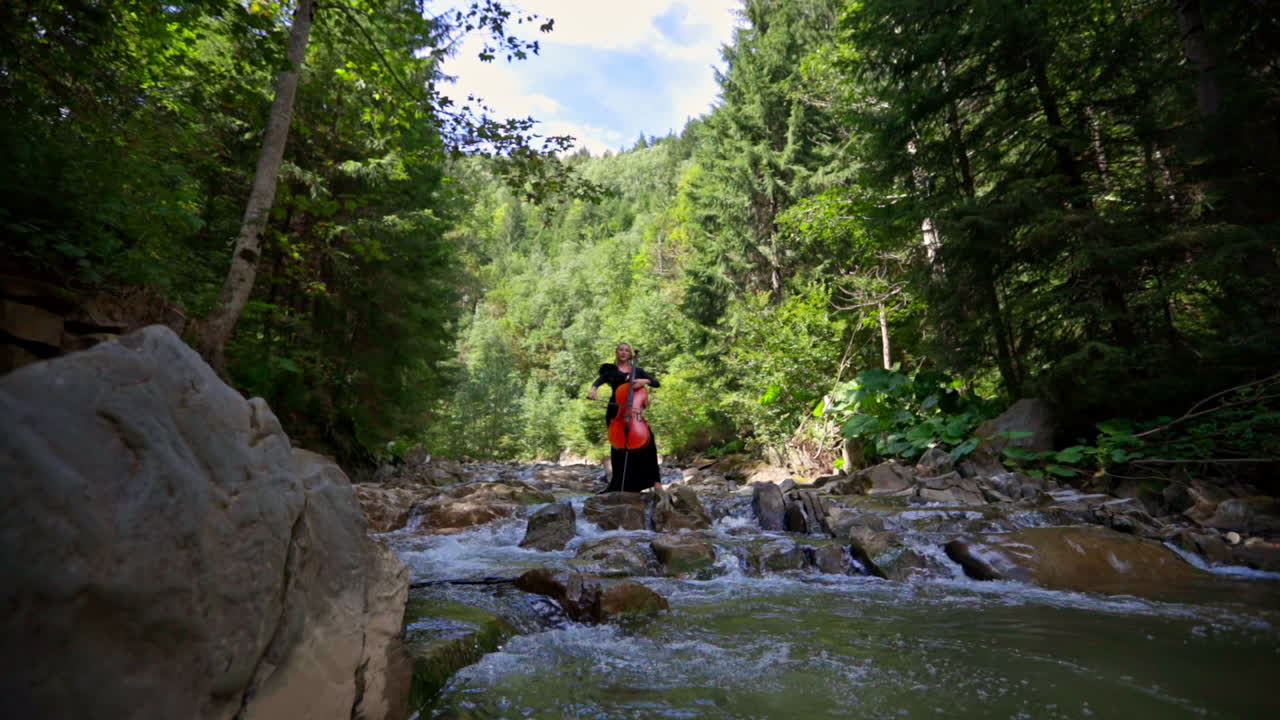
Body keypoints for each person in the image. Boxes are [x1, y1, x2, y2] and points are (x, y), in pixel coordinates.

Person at [588, 342, 663, 492]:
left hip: (634, 412)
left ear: (630, 354)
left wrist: (645, 381)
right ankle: (618, 485)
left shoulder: (638, 371)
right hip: (616, 412)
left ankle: (656, 483)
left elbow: (656, 383)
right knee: (618, 448)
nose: (624, 352)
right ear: (617, 352)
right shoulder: (611, 370)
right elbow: (599, 381)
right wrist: (593, 390)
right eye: (621, 350)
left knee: (648, 443)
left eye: (627, 350)